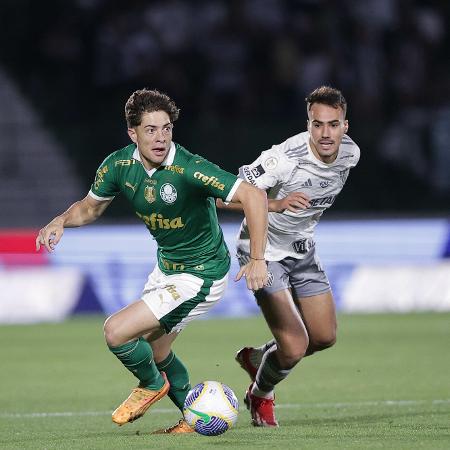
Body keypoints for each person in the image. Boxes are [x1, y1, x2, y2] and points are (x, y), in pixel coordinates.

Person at [36, 88, 268, 434]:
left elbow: (253, 195)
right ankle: (195, 420)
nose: (161, 138)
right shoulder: (119, 165)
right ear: (133, 133)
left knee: (116, 331)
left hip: (201, 275)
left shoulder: (189, 168)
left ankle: (150, 384)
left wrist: (258, 258)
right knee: (158, 351)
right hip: (167, 269)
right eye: (150, 129)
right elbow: (89, 207)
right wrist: (60, 220)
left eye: (166, 128)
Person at [217, 86, 360, 427]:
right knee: (295, 346)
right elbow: (222, 197)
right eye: (317, 124)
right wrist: (276, 203)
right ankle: (260, 395)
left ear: (346, 126)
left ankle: (258, 358)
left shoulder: (351, 154)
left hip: (302, 249)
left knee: (323, 337)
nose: (325, 133)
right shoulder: (282, 159)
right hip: (262, 252)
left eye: (333, 124)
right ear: (307, 123)